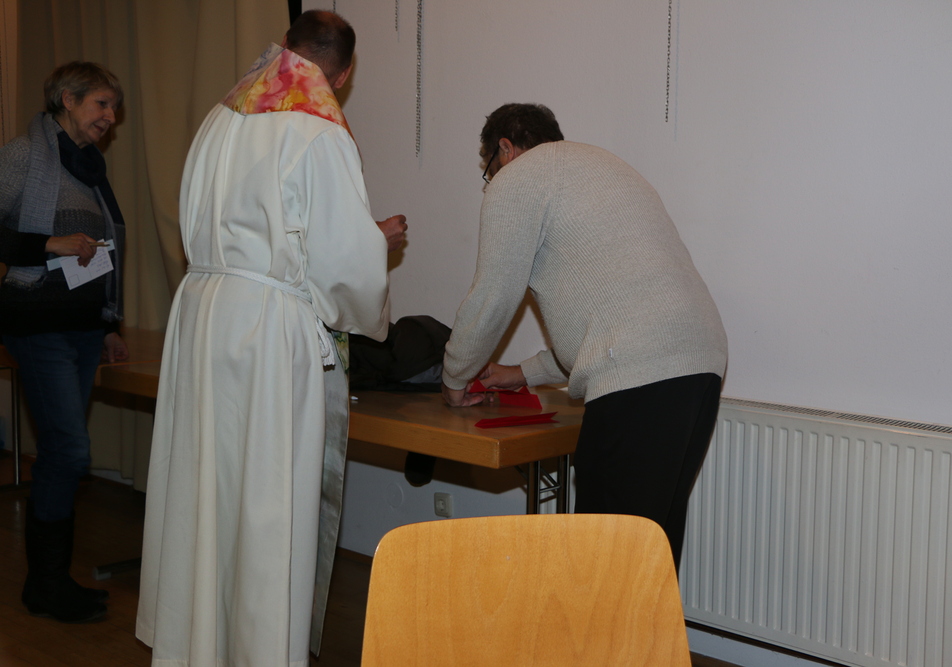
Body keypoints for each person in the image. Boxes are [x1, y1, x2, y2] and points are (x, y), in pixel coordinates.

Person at [135, 11, 406, 666]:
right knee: (267, 497)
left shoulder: (221, 115)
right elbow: (341, 263)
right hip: (266, 326)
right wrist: (376, 249)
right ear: (343, 73)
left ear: (285, 47)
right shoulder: (318, 126)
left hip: (202, 313)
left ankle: (197, 644)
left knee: (206, 490)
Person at [442, 103, 727, 568]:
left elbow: (493, 297)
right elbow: (605, 318)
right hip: (699, 363)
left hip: (640, 375)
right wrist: (522, 373)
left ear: (505, 148)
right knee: (649, 555)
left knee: (602, 563)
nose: (492, 180)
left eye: (489, 169)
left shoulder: (521, 178)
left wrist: (455, 377)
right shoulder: (604, 168)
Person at [0, 61, 128, 623]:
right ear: (68, 99)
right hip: (36, 323)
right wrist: (49, 243)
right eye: (102, 103)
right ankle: (46, 585)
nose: (110, 116)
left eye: (114, 107)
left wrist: (109, 326)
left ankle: (49, 584)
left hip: (81, 328)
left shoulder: (90, 168)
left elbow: (100, 254)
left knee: (60, 453)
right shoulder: (24, 156)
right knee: (71, 451)